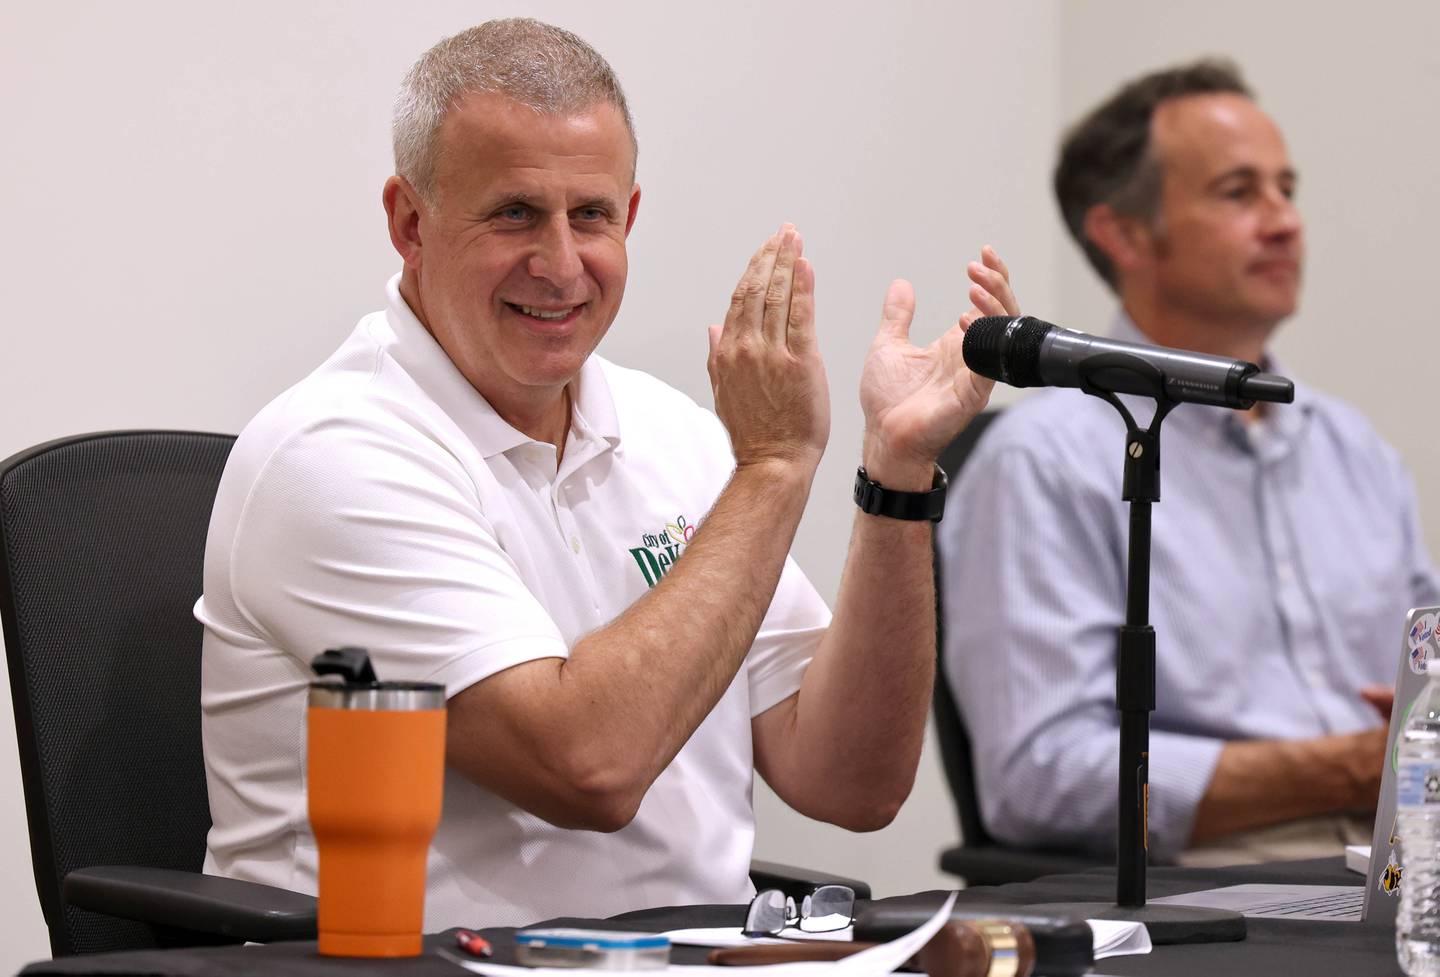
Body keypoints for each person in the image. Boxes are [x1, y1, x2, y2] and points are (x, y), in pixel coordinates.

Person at [196, 18, 1018, 929]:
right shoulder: (334, 453)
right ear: (409, 223)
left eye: (590, 216)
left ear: (628, 218)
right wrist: (776, 466)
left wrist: (895, 472)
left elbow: (849, 781)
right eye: (514, 213)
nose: (559, 265)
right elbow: (587, 767)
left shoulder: (676, 432)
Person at [938, 59, 1440, 866]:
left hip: (1404, 856)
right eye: (1240, 193)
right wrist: (1345, 768)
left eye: (1287, 189)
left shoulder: (1355, 449)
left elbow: (1427, 685)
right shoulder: (1044, 459)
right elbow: (1036, 776)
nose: (1285, 222)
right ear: (1123, 234)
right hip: (1210, 878)